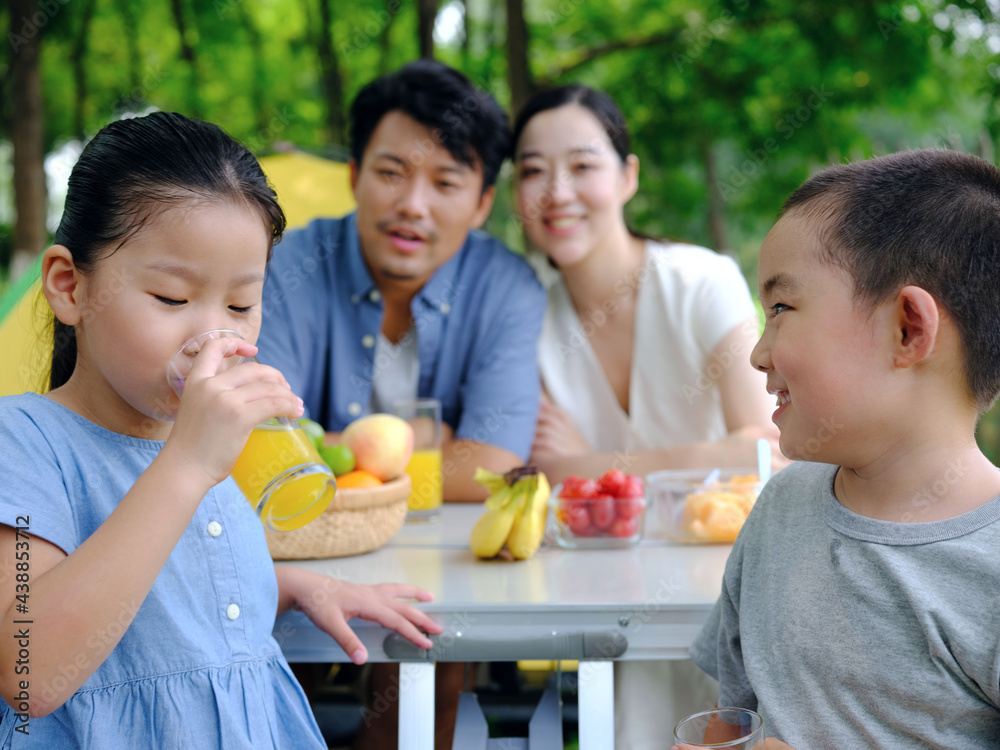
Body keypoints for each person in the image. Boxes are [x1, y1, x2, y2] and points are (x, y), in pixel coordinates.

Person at [0, 111, 442, 748]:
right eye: (173, 299)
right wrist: (186, 465)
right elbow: (28, 670)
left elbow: (181, 588)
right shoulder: (25, 441)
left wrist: (294, 586)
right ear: (70, 286)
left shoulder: (207, 445)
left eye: (241, 305)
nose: (215, 336)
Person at [679, 149, 1000, 749]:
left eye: (781, 308)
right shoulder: (780, 508)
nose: (758, 353)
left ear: (907, 328)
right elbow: (731, 720)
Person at [512, 84, 782, 748]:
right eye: (532, 170)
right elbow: (536, 475)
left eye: (582, 165)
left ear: (627, 176)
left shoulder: (700, 281)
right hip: (616, 593)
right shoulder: (528, 317)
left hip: (742, 581)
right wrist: (700, 457)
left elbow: (763, 448)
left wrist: (590, 465)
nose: (555, 191)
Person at [257, 59, 546, 503]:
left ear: (483, 204)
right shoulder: (284, 267)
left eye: (445, 183)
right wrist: (427, 441)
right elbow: (267, 450)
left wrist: (331, 451)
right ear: (354, 176)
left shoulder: (506, 288)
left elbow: (493, 465)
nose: (413, 205)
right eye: (391, 173)